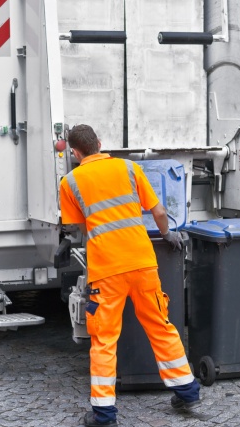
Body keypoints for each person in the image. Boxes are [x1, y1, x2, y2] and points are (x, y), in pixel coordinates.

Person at [59, 124, 200, 426]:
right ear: (99, 142)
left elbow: (78, 229)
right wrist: (168, 234)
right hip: (143, 262)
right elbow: (159, 211)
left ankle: (104, 413)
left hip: (107, 269)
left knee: (105, 340)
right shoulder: (129, 168)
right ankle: (186, 390)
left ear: (74, 152)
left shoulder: (70, 182)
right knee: (161, 326)